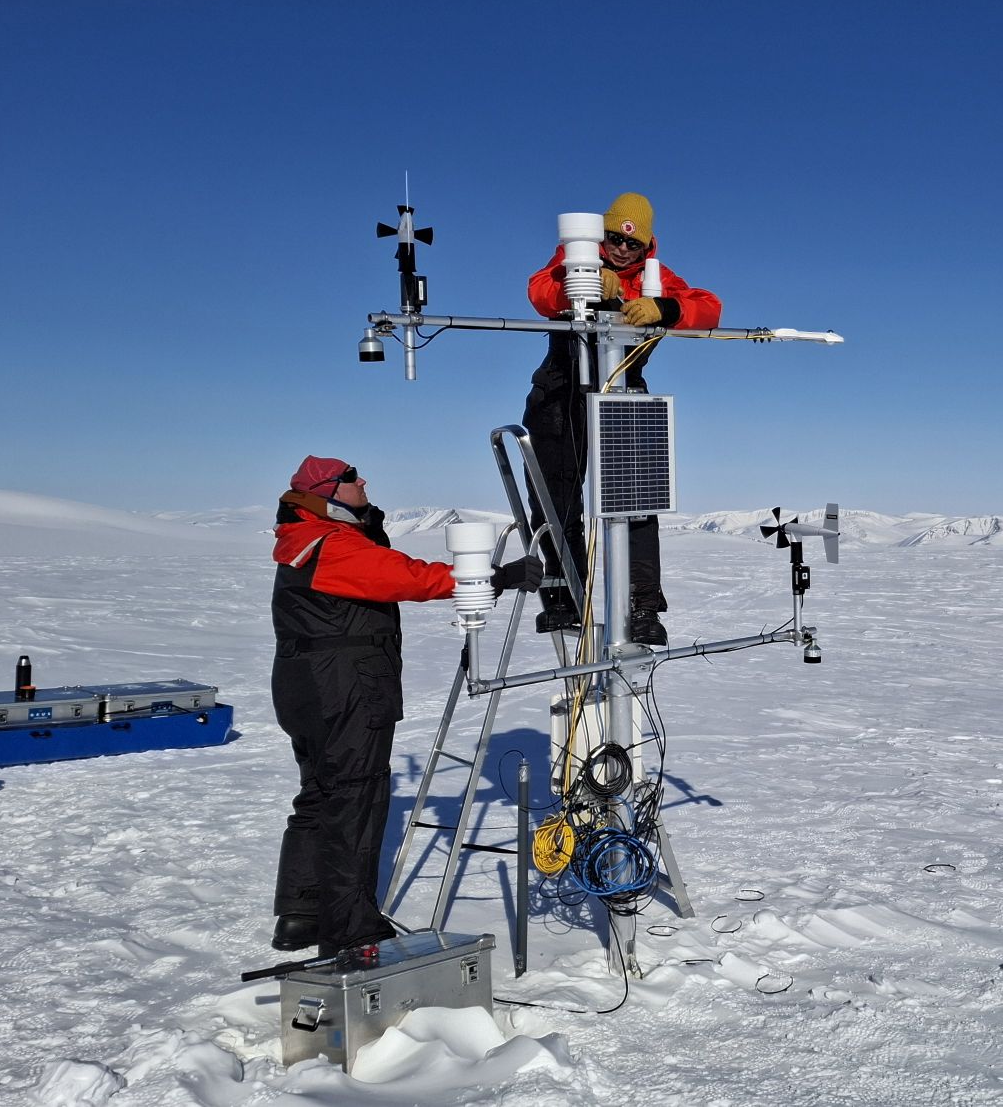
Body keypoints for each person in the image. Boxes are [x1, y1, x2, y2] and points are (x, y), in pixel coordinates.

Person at [268, 455, 540, 956]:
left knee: (322, 794)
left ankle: (302, 913)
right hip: (343, 688)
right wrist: (496, 578)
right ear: (328, 493)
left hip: (307, 684)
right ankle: (350, 928)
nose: (363, 480)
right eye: (351, 478)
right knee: (354, 798)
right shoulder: (333, 544)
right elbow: (410, 578)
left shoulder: (306, 538)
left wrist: (367, 519)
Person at [523, 192, 721, 646]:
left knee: (636, 500)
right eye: (615, 239)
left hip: (624, 392)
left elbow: (709, 306)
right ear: (602, 234)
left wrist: (666, 309)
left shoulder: (656, 278)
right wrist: (584, 284)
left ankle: (642, 606)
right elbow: (540, 291)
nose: (622, 250)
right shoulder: (574, 256)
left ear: (647, 245)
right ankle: (564, 596)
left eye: (633, 245)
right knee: (558, 499)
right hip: (561, 391)